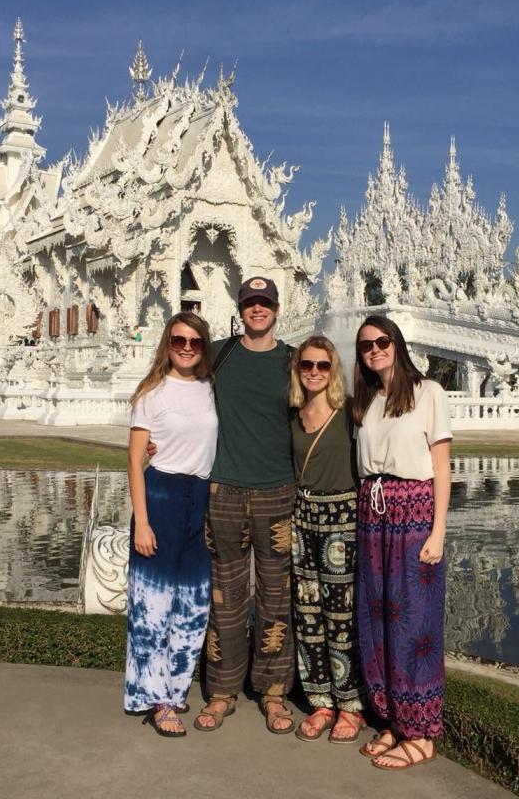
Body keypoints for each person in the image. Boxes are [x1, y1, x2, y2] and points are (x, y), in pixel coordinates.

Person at [192, 276, 297, 734]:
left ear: (276, 309)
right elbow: (175, 390)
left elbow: (323, 414)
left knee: (276, 596)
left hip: (278, 491)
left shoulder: (294, 362)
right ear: (240, 308)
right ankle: (221, 692)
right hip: (226, 490)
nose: (258, 310)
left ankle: (273, 694)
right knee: (226, 597)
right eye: (251, 303)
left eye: (265, 304)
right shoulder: (219, 354)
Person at [353, 315, 451, 770]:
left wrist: (439, 531)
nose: (374, 349)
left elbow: (441, 465)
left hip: (414, 509)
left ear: (397, 342)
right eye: (366, 345)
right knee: (378, 619)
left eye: (382, 341)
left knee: (414, 622)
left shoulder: (428, 393)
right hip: (373, 511)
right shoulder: (368, 401)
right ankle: (392, 717)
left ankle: (422, 731)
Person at [124, 311, 217, 737]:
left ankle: (175, 687)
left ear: (203, 347)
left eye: (194, 342)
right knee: (154, 605)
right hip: (159, 496)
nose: (186, 347)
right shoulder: (152, 392)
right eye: (179, 340)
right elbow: (134, 460)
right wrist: (142, 522)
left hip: (198, 499)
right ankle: (156, 698)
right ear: (168, 343)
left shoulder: (209, 388)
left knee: (193, 605)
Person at [289, 335, 366, 743]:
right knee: (308, 617)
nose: (314, 372)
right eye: (307, 365)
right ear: (298, 369)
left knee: (341, 617)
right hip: (303, 521)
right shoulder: (293, 414)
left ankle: (350, 705)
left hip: (343, 520)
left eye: (322, 365)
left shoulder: (351, 410)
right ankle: (320, 701)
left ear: (333, 368)